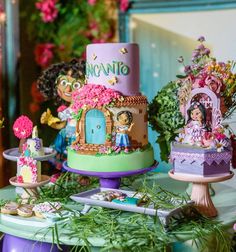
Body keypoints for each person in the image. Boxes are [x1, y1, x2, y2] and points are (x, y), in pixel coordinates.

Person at [37, 59, 85, 170]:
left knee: (80, 161)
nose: (68, 89)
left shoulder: (85, 109)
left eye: (76, 85)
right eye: (64, 83)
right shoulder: (66, 110)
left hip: (80, 138)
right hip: (66, 138)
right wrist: (50, 121)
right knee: (66, 161)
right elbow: (62, 125)